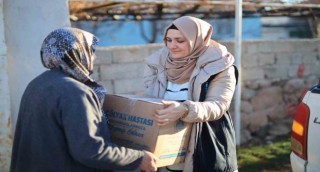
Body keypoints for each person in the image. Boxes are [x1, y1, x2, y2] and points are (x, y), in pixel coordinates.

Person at [10, 27, 158, 172]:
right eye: (91, 51)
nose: (94, 57)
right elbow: (90, 150)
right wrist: (138, 158)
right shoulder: (76, 92)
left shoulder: (37, 84)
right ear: (77, 53)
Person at [143, 16, 238, 172]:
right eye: (169, 39)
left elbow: (219, 105)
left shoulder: (220, 65)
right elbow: (149, 98)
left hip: (202, 144)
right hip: (164, 148)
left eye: (180, 41)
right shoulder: (156, 63)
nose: (172, 46)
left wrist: (185, 110)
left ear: (197, 39)